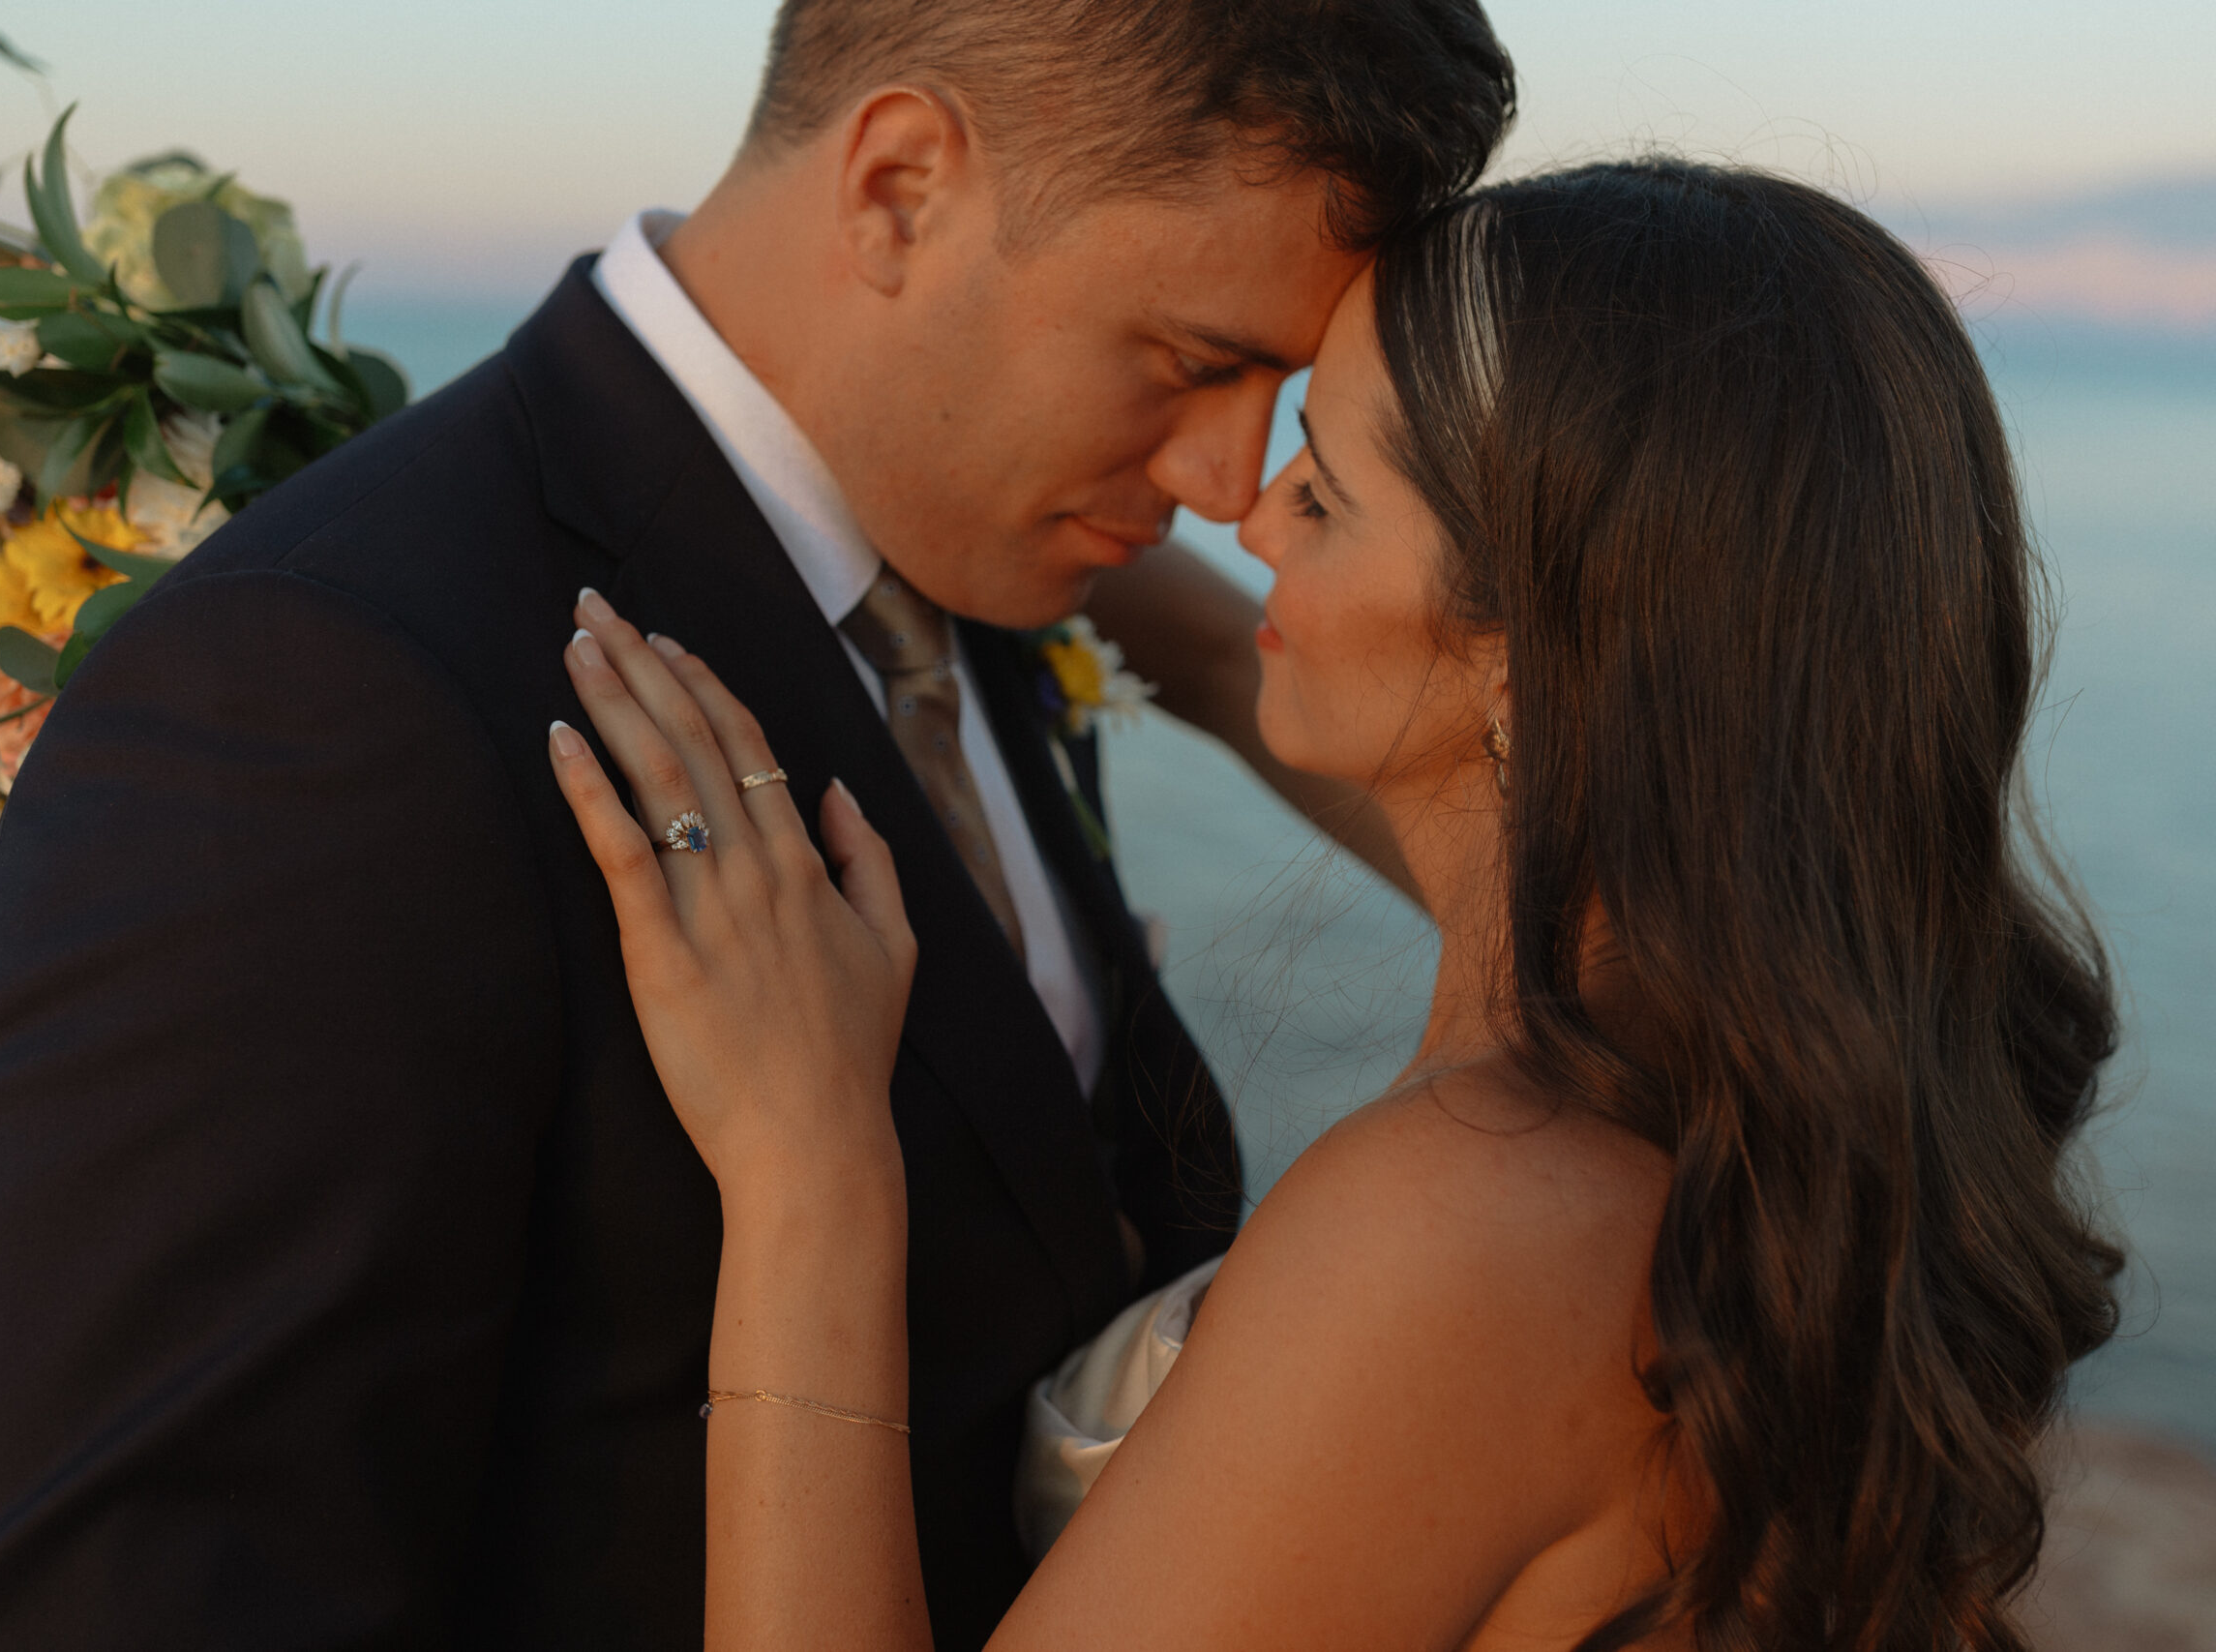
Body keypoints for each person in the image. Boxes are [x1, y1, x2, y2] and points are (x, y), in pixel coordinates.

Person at [0, 2, 1514, 1646]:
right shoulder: (318, 696)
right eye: (1192, 360)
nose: (1231, 481)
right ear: (897, 186)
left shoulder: (978, 562)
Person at [546, 159, 2127, 1649]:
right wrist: (922, 457)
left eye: (1330, 487)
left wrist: (809, 1172)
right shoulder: (1752, 1026)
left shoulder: (1472, 1219)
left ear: (1527, 648)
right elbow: (1248, 665)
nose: (1246, 509)